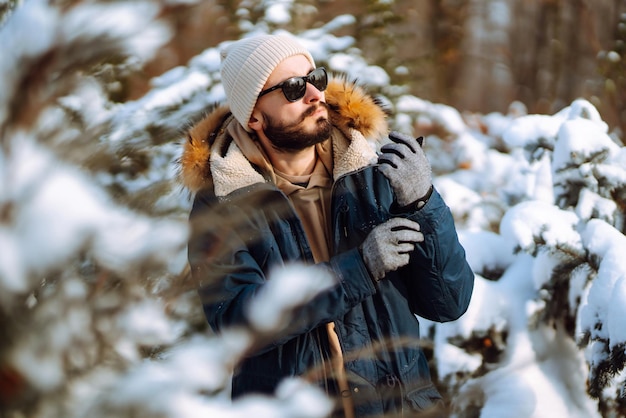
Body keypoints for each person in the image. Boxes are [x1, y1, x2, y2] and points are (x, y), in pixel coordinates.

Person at [180, 34, 474, 418]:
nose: (315, 95)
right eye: (292, 88)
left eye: (314, 78)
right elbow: (239, 323)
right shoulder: (222, 204)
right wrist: (360, 268)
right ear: (253, 116)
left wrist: (424, 204)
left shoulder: (372, 174)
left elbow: (450, 303)